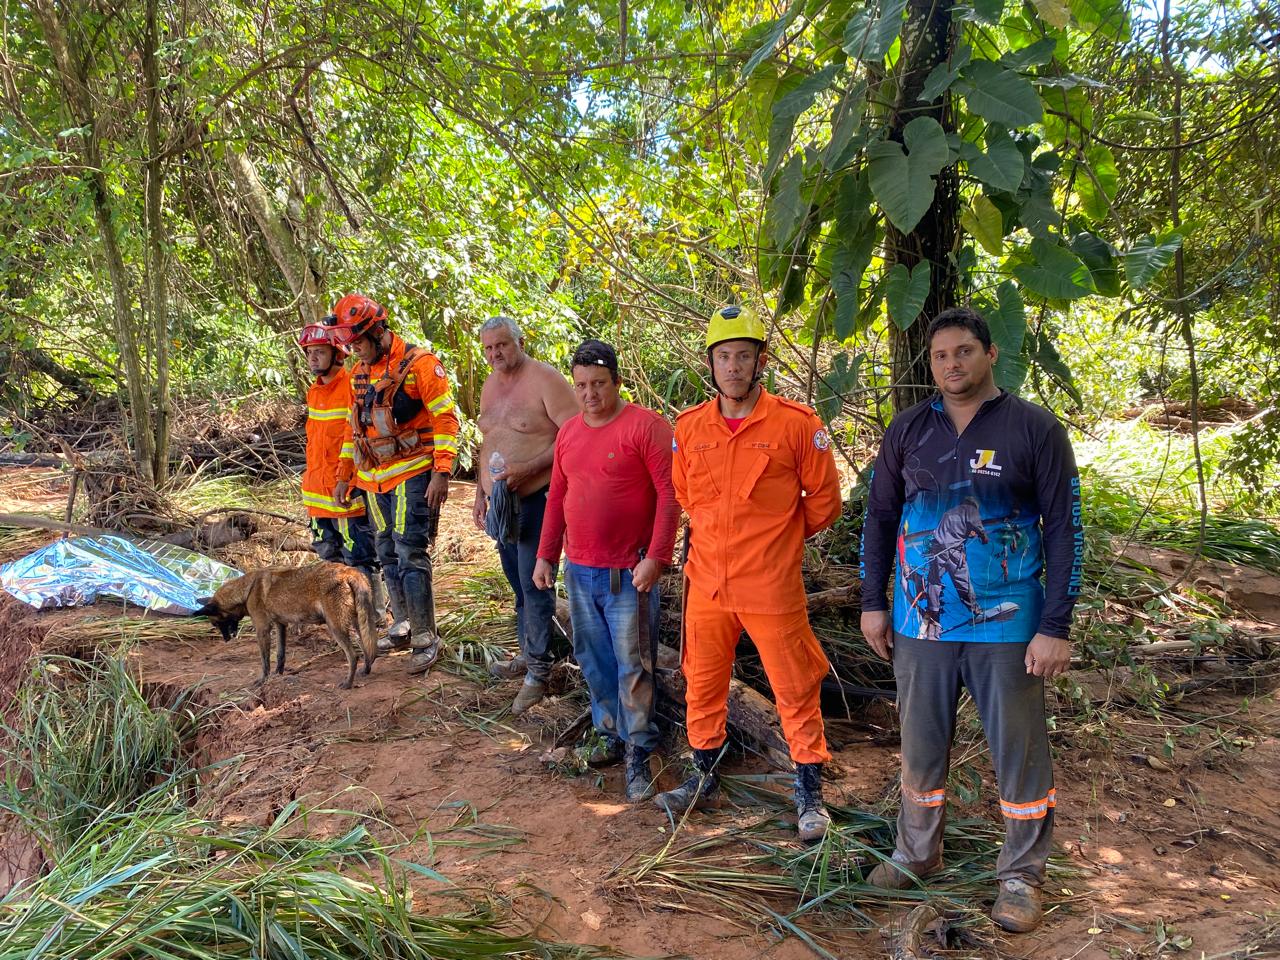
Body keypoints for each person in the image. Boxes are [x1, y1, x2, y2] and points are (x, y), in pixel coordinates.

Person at [859, 307, 1083, 934]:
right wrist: (874, 602)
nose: (951, 365)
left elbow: (1065, 528)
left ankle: (1020, 874)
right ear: (928, 363)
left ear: (989, 354)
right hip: (920, 620)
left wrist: (1056, 624)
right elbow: (878, 518)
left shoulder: (1033, 428)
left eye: (963, 352)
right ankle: (915, 853)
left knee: (1018, 752)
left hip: (1008, 627)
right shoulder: (907, 430)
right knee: (921, 745)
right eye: (939, 356)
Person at [656, 305, 843, 842]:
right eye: (723, 357)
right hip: (707, 584)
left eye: (742, 356)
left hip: (771, 585)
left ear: (760, 361)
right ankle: (704, 776)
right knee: (702, 682)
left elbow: (824, 503)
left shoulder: (796, 424)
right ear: (711, 365)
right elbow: (687, 494)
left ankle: (809, 792)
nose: (733, 366)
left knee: (795, 687)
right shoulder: (690, 428)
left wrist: (776, 540)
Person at [531, 340, 679, 801]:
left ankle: (640, 748)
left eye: (598, 384)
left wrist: (656, 556)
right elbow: (557, 498)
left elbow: (670, 496)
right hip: (580, 569)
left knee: (633, 664)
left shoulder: (647, 428)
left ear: (616, 381)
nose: (589, 394)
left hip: (628, 571)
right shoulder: (569, 433)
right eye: (580, 386)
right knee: (593, 660)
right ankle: (610, 733)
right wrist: (545, 556)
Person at [326, 294, 460, 675]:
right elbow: (355, 431)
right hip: (373, 478)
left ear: (377, 331)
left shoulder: (421, 365)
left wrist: (442, 471)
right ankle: (401, 623)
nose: (354, 352)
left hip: (413, 470)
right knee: (385, 551)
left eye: (358, 344)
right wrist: (343, 475)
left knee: (409, 550)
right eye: (349, 347)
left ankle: (425, 635)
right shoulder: (358, 374)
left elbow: (446, 420)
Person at [472, 316, 578, 716]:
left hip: (539, 498)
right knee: (517, 582)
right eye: (488, 348)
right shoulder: (489, 384)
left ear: (520, 341)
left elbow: (574, 435)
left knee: (536, 583)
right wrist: (480, 493)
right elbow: (488, 441)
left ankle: (539, 672)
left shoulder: (546, 380)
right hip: (502, 502)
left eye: (502, 345)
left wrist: (531, 468)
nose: (495, 354)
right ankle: (530, 652)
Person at [297, 323, 384, 617]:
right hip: (317, 495)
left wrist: (344, 480)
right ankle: (341, 615)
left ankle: (372, 616)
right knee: (328, 558)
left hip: (345, 491)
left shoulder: (351, 386)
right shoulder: (314, 392)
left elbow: (352, 438)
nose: (312, 358)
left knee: (359, 557)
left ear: (338, 355)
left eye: (319, 352)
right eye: (309, 353)